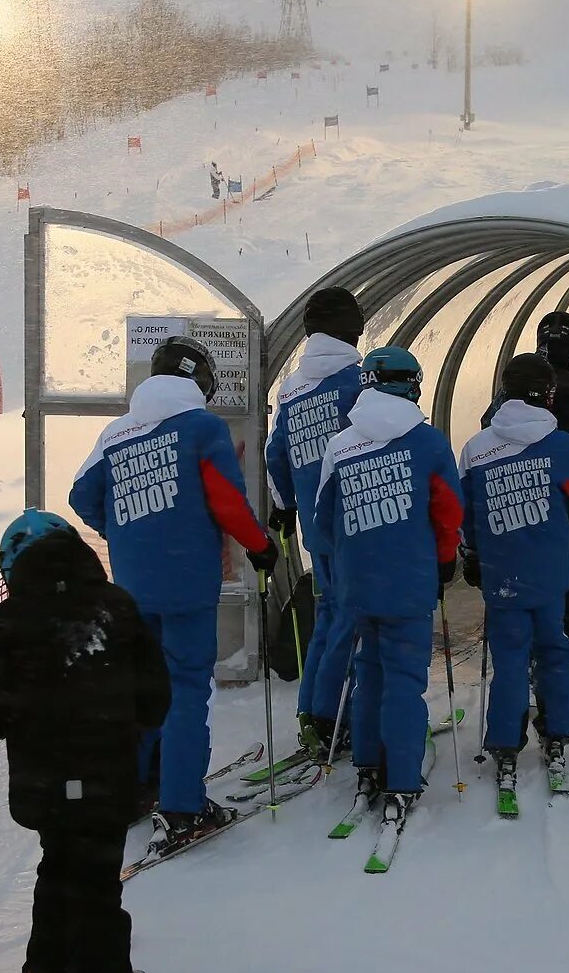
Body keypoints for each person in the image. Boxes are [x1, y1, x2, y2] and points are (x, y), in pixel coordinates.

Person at [0, 511, 168, 973]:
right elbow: (156, 699)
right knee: (97, 892)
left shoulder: (9, 621)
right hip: (106, 787)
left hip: (45, 792)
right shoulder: (117, 609)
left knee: (57, 874)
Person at [70, 336, 282, 849]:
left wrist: (122, 531)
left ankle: (135, 788)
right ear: (199, 382)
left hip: (134, 585)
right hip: (188, 582)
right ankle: (184, 806)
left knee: (144, 688)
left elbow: (82, 494)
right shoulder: (201, 428)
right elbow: (228, 501)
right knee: (187, 691)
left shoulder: (118, 433)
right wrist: (260, 547)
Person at [314, 346, 464, 832]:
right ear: (413, 385)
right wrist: (445, 564)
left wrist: (345, 562)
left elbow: (322, 517)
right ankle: (402, 776)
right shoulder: (428, 442)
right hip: (409, 580)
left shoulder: (341, 445)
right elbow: (448, 513)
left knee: (368, 672)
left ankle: (367, 766)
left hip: (358, 581)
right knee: (404, 679)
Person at [460, 354, 569, 795]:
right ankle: (556, 733)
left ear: (504, 391)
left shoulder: (477, 447)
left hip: (503, 575)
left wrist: (472, 553)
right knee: (555, 654)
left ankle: (504, 741)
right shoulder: (560, 444)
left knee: (510, 660)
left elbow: (464, 512)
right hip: (551, 573)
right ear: (549, 395)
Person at [265, 287, 367, 759]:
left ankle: (311, 707)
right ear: (352, 328)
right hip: (356, 524)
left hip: (314, 521)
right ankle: (333, 714)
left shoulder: (293, 387)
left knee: (326, 614)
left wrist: (286, 504)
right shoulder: (355, 381)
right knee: (351, 618)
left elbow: (276, 454)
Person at [481, 311, 569, 664]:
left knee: (517, 570)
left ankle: (517, 653)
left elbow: (489, 424)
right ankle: (564, 655)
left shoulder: (518, 381)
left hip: (518, 491)